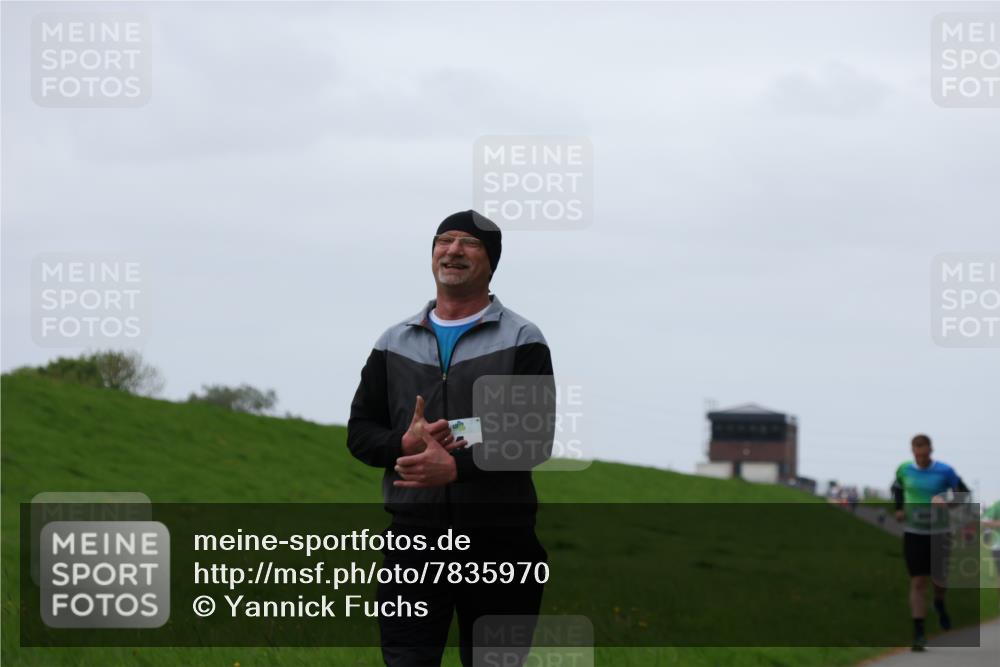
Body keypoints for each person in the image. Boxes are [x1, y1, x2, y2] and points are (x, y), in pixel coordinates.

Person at [347, 210, 555, 667]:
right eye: (444, 240)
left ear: (491, 261)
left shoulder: (523, 338)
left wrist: (455, 468)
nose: (453, 250)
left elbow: (533, 436)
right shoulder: (393, 342)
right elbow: (360, 433)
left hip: (501, 539)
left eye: (469, 243)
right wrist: (402, 444)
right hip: (414, 541)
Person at [891, 433, 970, 652]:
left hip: (940, 532)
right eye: (918, 456)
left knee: (939, 580)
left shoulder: (945, 471)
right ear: (912, 452)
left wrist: (948, 502)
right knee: (917, 582)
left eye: (925, 456)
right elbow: (897, 488)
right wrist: (898, 508)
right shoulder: (904, 469)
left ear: (931, 451)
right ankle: (919, 634)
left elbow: (964, 494)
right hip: (914, 532)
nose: (921, 459)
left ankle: (939, 602)